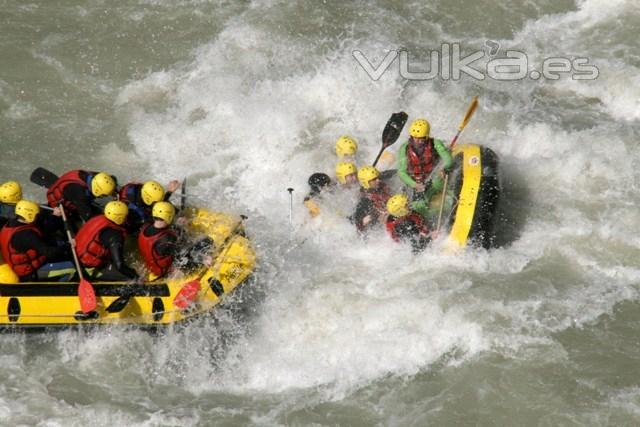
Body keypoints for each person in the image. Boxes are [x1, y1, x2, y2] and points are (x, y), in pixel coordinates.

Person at [0, 200, 71, 282]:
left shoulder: (11, 224)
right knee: (71, 268)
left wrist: (55, 216)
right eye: (37, 215)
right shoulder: (27, 235)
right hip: (30, 273)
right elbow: (50, 253)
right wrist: (68, 245)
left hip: (22, 263)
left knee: (57, 242)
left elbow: (43, 231)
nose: (38, 217)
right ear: (30, 215)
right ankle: (58, 290)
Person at [75, 200, 137, 280]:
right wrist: (137, 277)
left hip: (77, 257)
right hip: (89, 268)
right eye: (126, 217)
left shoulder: (98, 218)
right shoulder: (114, 235)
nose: (127, 219)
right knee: (127, 277)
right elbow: (120, 266)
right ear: (119, 218)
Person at [397, 119, 453, 202]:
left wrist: (444, 168)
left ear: (426, 136)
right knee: (417, 204)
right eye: (415, 137)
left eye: (421, 138)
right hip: (416, 181)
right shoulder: (404, 148)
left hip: (433, 177)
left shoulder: (435, 143)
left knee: (438, 181)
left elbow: (448, 159)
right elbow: (401, 172)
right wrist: (414, 184)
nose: (418, 141)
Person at [46, 170, 117, 223]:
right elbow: (88, 218)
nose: (105, 196)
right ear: (96, 190)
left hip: (71, 191)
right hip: (61, 204)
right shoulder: (80, 194)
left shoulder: (97, 177)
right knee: (99, 214)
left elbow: (111, 180)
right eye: (104, 195)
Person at [138, 201, 178, 279]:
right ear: (169, 217)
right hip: (163, 271)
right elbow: (181, 253)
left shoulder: (145, 227)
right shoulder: (168, 238)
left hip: (151, 267)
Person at [352, 166, 391, 233]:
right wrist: (363, 221)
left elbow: (389, 173)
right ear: (366, 183)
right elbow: (356, 220)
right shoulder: (365, 200)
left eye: (377, 178)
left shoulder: (377, 184)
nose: (378, 180)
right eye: (374, 179)